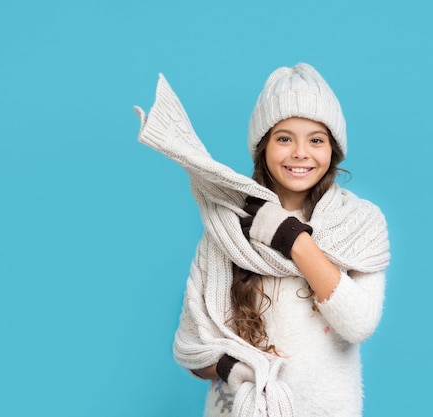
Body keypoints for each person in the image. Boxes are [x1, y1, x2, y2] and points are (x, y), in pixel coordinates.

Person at [134, 63, 390, 417]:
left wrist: (290, 238)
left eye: (316, 139)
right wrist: (233, 371)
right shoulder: (228, 229)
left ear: (333, 148)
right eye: (284, 138)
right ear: (263, 147)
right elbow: (192, 347)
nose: (301, 152)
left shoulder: (360, 226)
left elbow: (358, 324)